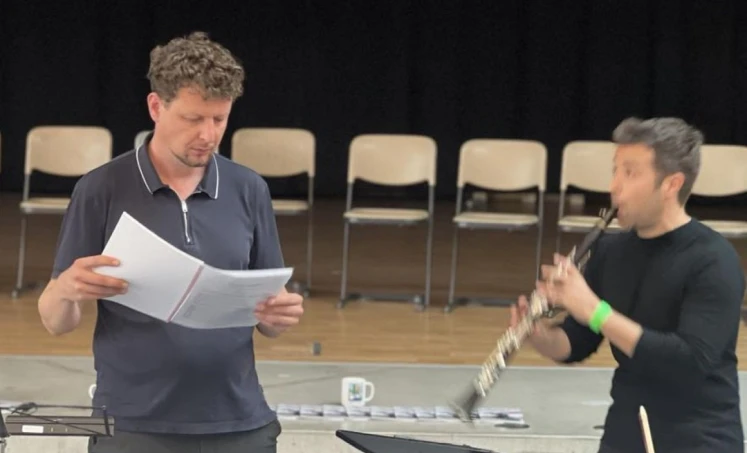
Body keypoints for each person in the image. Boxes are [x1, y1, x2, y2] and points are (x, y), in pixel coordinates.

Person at [37, 31, 304, 453]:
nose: (208, 134)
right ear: (156, 107)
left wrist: (280, 314)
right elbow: (56, 322)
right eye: (193, 119)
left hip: (238, 422)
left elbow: (269, 320)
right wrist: (67, 289)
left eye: (219, 119)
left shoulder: (248, 188)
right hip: (132, 424)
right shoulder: (101, 188)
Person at [512, 117, 745, 453]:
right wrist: (539, 335)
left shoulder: (714, 260)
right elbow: (576, 342)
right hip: (626, 431)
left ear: (671, 184)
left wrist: (595, 310)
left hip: (700, 438)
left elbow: (690, 362)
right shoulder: (609, 251)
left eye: (630, 173)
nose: (614, 186)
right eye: (615, 171)